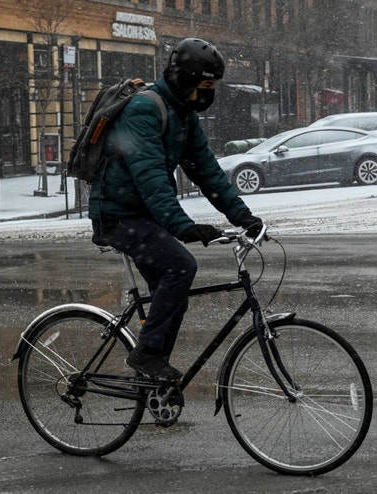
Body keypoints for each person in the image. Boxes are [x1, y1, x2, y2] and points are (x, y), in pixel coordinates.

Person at [88, 38, 262, 381]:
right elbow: (150, 176)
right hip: (118, 214)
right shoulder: (144, 110)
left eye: (211, 88)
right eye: (203, 86)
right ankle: (148, 355)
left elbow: (206, 170)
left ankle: (152, 372)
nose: (205, 95)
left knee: (174, 291)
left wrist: (242, 215)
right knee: (181, 266)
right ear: (185, 79)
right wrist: (184, 225)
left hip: (143, 214)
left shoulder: (182, 116)